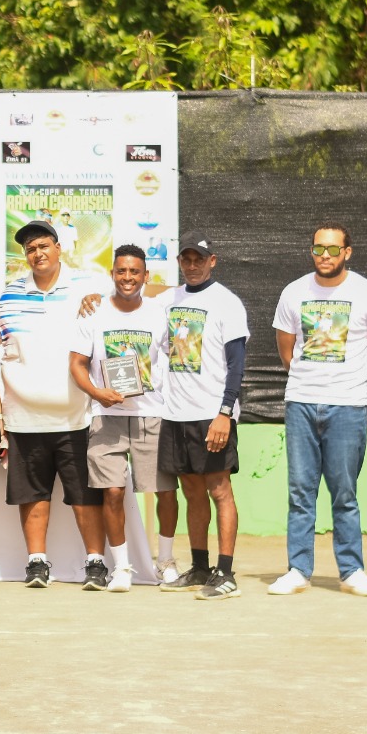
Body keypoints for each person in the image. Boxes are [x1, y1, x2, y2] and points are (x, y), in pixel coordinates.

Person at [268, 224, 367, 597]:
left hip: (348, 407)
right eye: (318, 249)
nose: (325, 256)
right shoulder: (293, 291)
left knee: (344, 493)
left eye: (333, 250)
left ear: (347, 252)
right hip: (301, 402)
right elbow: (287, 350)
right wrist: (310, 379)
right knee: (300, 493)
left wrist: (350, 384)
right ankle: (298, 570)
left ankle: (351, 570)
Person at [0, 219, 107, 589]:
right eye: (30, 249)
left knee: (84, 497)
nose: (37, 253)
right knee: (33, 495)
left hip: (77, 416)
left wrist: (102, 300)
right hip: (24, 417)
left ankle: (95, 563)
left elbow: (131, 297)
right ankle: (37, 563)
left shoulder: (88, 287)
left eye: (43, 246)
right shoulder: (9, 295)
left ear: (58, 248)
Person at [70, 245, 173, 593]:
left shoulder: (160, 312)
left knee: (164, 492)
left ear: (145, 275)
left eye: (135, 272)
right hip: (106, 416)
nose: (127, 278)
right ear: (112, 273)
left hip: (152, 416)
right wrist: (97, 394)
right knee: (112, 492)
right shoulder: (94, 313)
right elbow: (76, 365)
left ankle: (166, 562)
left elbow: (177, 292)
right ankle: (123, 568)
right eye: (121, 271)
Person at [158, 232, 250, 601]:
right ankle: (199, 567)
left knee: (219, 491)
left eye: (200, 259)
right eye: (186, 259)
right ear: (180, 262)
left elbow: (237, 363)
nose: (193, 265)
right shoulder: (169, 299)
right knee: (192, 492)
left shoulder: (227, 303)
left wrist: (224, 413)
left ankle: (225, 574)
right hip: (175, 415)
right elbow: (136, 295)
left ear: (213, 261)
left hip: (212, 415)